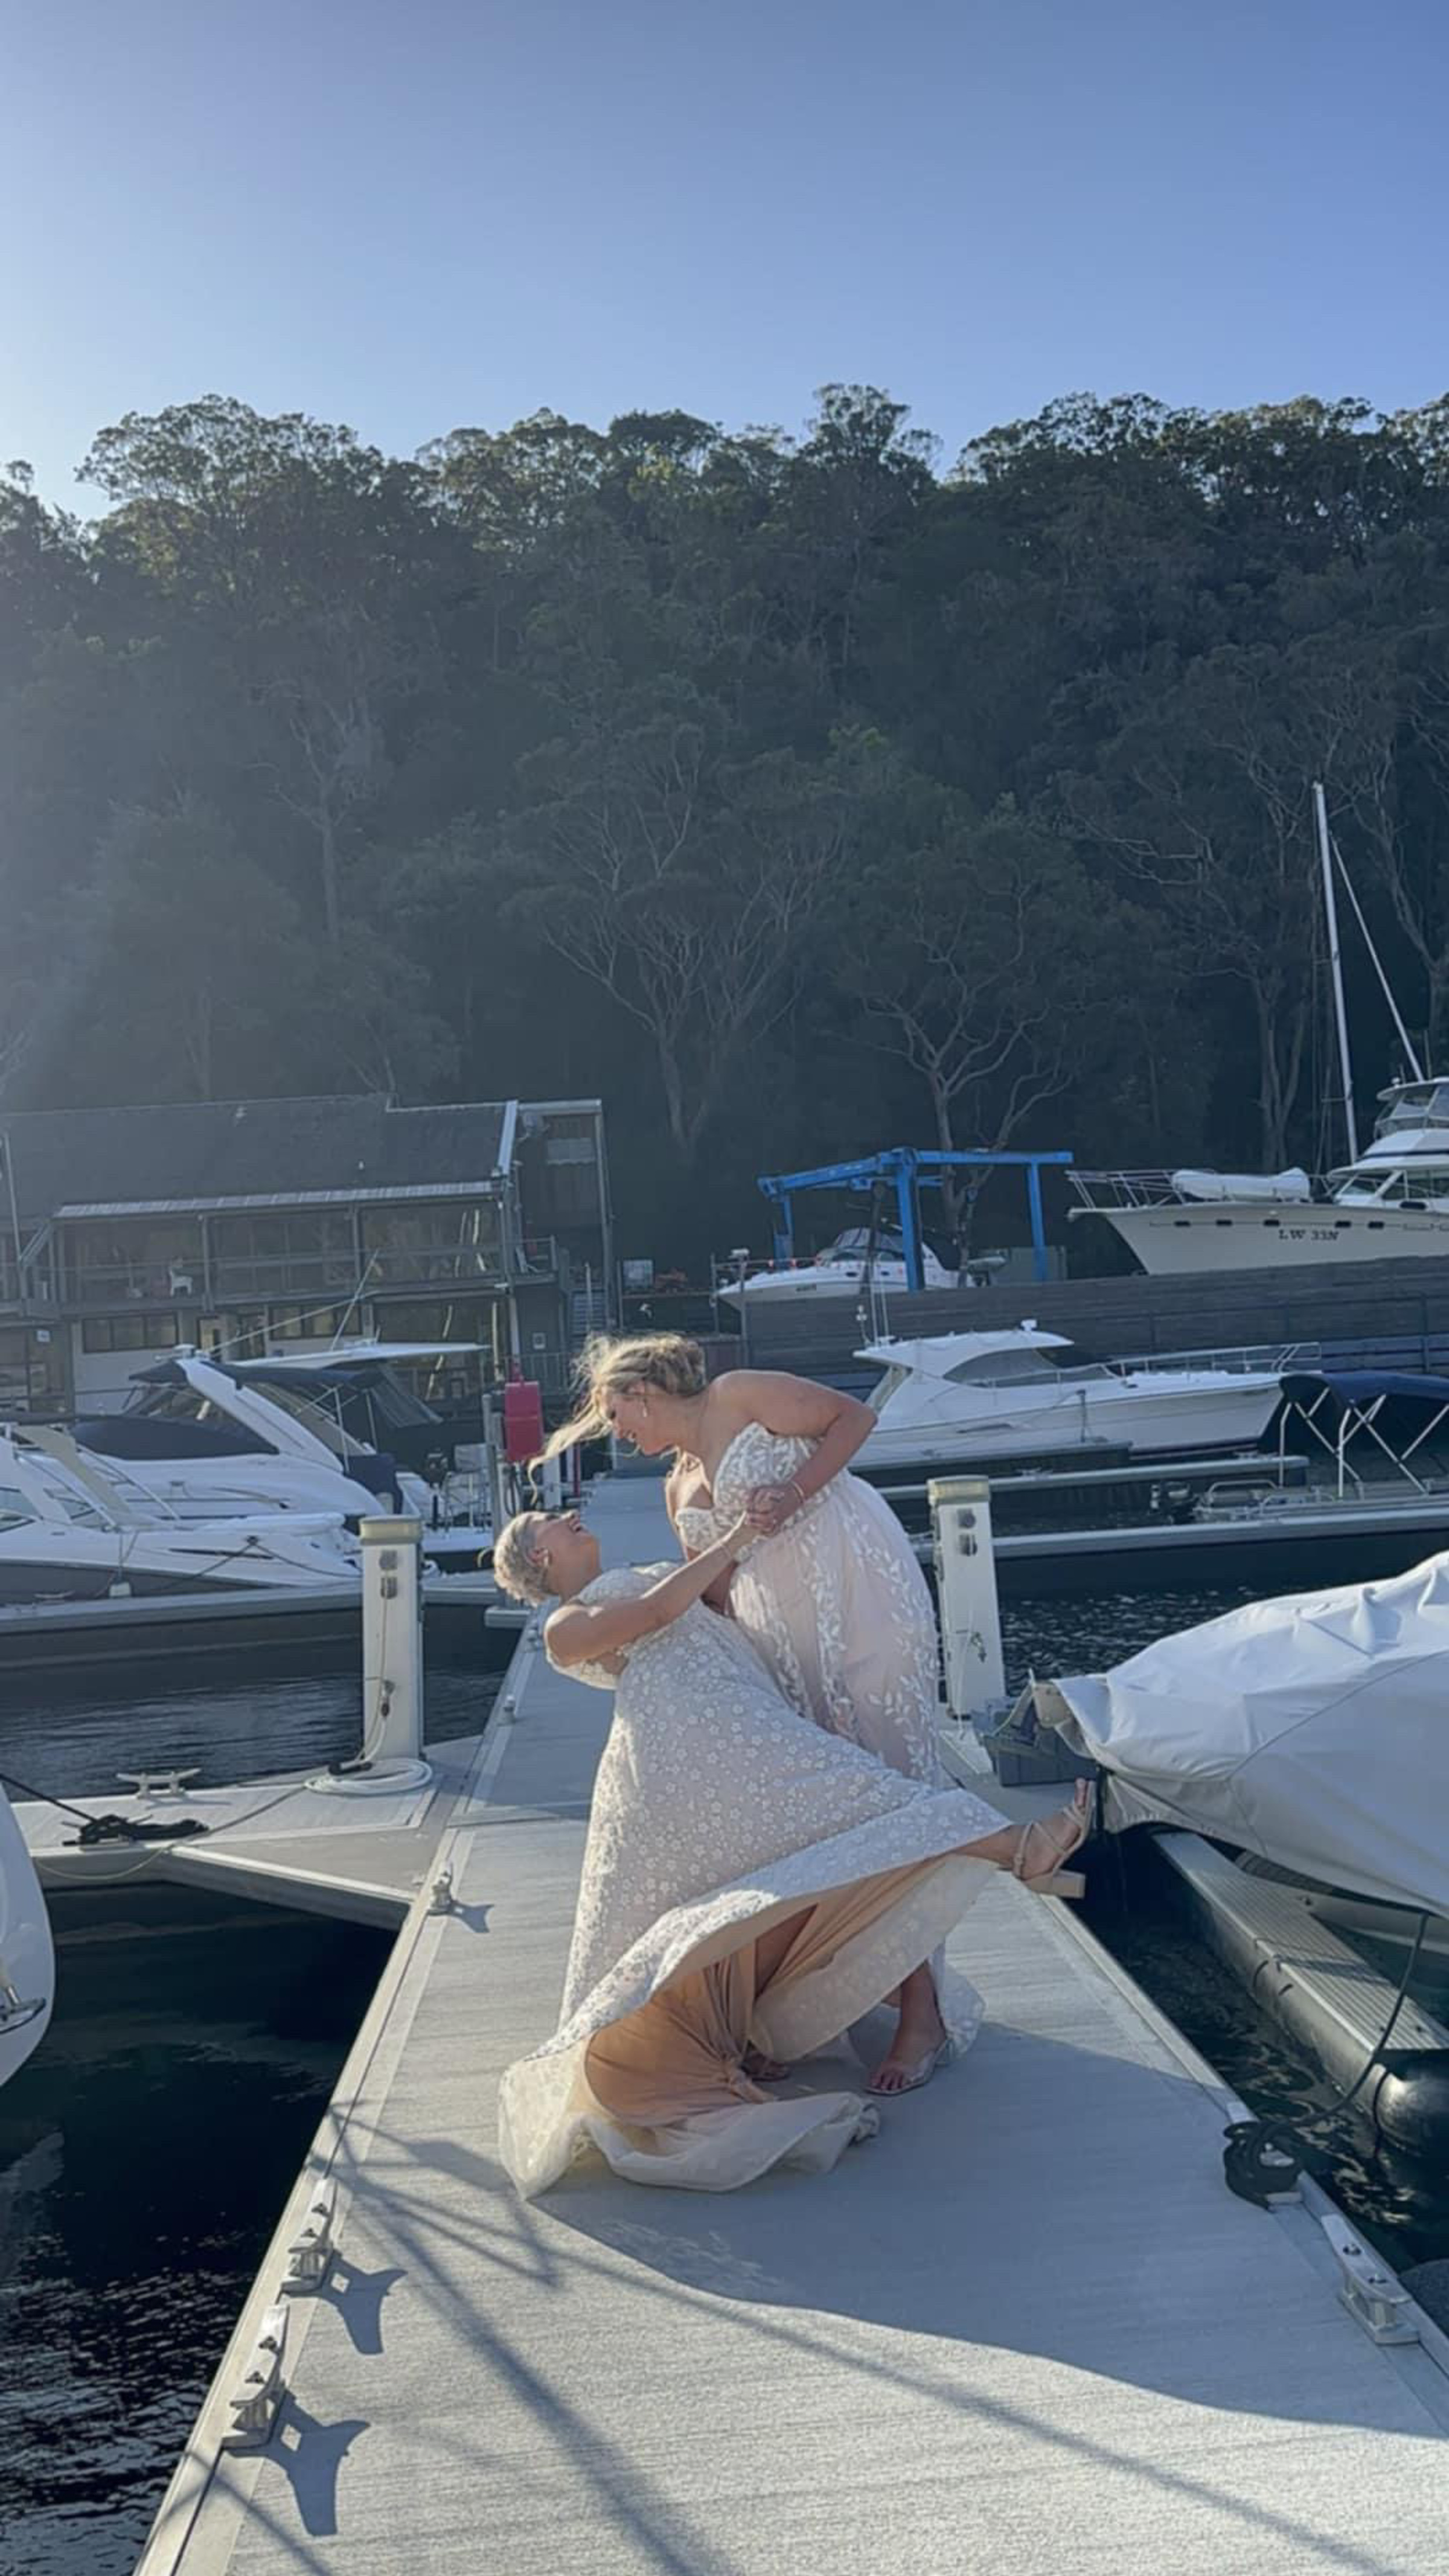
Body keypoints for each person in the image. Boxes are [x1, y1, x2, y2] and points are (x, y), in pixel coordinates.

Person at [491, 1503, 1089, 2199]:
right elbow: (657, 1614)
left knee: (802, 1855)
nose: (570, 1515)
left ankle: (743, 2030)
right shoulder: (565, 1626)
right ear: (540, 1558)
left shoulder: (646, 1573)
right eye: (550, 1521)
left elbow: (711, 1601)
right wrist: (735, 1536)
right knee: (861, 1803)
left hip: (742, 1724)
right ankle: (1023, 1847)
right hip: (692, 1753)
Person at [541, 1332, 992, 2094]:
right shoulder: (674, 1485)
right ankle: (870, 1979)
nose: (619, 1432)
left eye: (617, 1415)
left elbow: (853, 1419)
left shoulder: (740, 1393)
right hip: (779, 1633)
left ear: (643, 1392)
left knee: (894, 1777)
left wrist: (795, 1490)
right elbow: (709, 1593)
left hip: (860, 1588)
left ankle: (924, 2010)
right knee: (845, 1806)